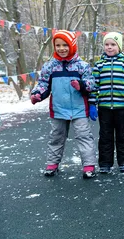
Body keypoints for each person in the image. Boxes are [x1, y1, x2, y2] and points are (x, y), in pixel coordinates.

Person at [30, 30, 97, 178]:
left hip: (79, 109)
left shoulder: (82, 66)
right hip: (58, 109)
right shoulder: (50, 66)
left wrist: (81, 85)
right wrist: (37, 94)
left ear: (72, 45)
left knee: (83, 136)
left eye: (65, 45)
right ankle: (52, 164)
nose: (61, 48)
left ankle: (89, 165)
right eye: (58, 45)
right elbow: (43, 84)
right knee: (56, 136)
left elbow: (92, 84)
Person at [88, 32, 124, 173]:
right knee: (105, 136)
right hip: (104, 107)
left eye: (113, 44)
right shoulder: (99, 65)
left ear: (119, 46)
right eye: (106, 44)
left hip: (122, 107)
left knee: (123, 135)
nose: (109, 47)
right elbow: (94, 86)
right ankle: (105, 163)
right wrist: (92, 104)